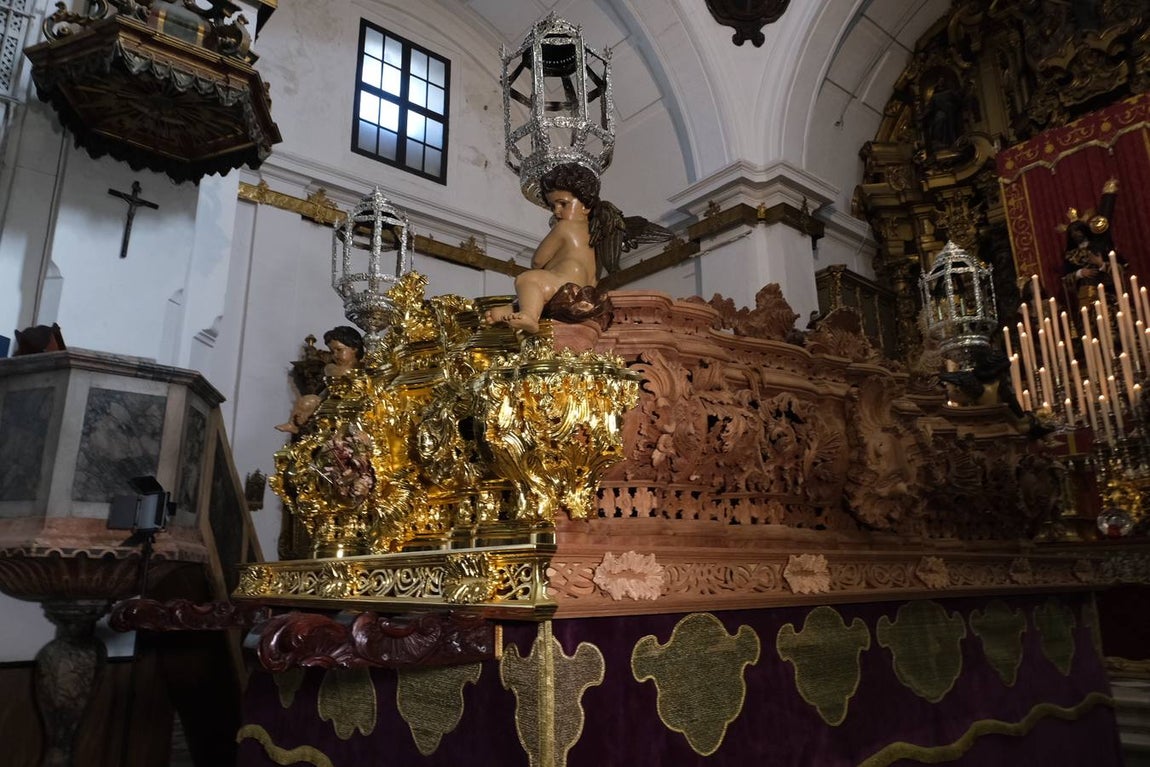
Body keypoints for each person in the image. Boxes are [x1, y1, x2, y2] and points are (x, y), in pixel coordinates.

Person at [485, 163, 603, 334]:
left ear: (586, 206)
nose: (556, 211)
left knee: (527, 279)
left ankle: (529, 316)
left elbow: (537, 261)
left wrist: (546, 268)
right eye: (553, 206)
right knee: (526, 298)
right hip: (584, 296)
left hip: (563, 288)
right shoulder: (597, 237)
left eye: (563, 204)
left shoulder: (565, 227)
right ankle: (513, 311)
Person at [276, 326, 364, 434]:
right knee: (306, 401)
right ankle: (292, 425)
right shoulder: (331, 368)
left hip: (354, 404)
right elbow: (332, 379)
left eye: (339, 350)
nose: (335, 355)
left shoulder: (364, 368)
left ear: (354, 348)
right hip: (329, 401)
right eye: (332, 351)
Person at [1061, 178, 1121, 312]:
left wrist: (1101, 264)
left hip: (1107, 294)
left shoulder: (1099, 245)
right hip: (1086, 299)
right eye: (1072, 233)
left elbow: (1120, 268)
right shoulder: (1070, 255)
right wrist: (1080, 273)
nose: (1076, 235)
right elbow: (1065, 280)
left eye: (1078, 230)